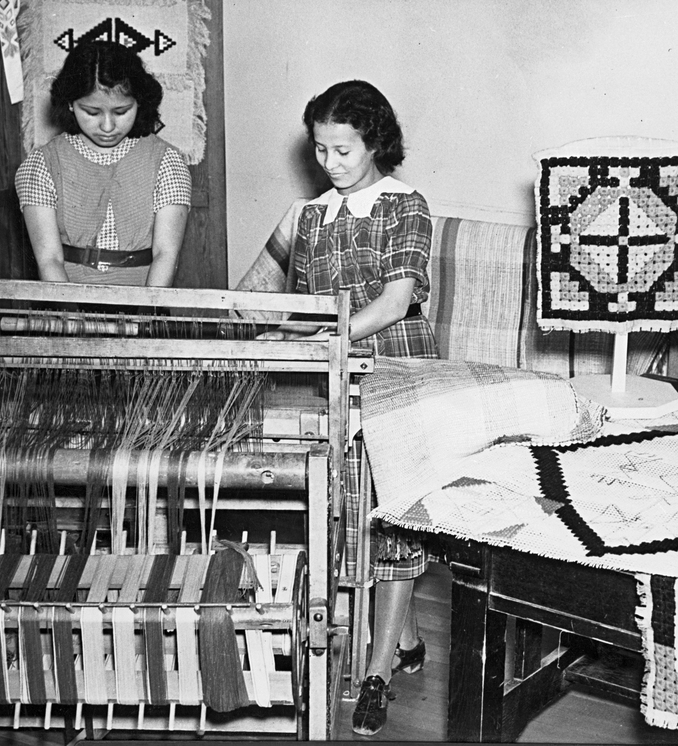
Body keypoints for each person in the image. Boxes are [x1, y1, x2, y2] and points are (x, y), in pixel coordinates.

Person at [247, 80, 437, 736]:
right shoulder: (308, 217)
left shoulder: (404, 205)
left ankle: (378, 674)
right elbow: (266, 296)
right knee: (355, 517)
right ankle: (408, 643)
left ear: (376, 142)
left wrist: (312, 334)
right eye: (321, 149)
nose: (330, 162)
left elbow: (392, 304)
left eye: (344, 150)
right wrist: (251, 325)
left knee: (391, 521)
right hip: (331, 378)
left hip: (396, 372)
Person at [15, 40, 191, 287]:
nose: (107, 127)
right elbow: (49, 260)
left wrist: (144, 317)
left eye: (121, 112)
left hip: (145, 303)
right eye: (91, 112)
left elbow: (166, 254)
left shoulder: (167, 161)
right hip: (64, 299)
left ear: (139, 103)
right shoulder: (41, 164)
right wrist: (70, 319)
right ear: (70, 103)